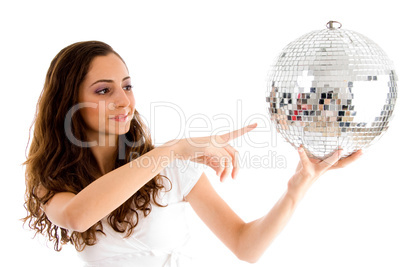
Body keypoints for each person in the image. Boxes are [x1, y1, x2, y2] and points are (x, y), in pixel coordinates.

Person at [23, 41, 362, 266]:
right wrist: (175, 148)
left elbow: (247, 246)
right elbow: (76, 217)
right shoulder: (51, 182)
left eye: (127, 85)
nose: (124, 101)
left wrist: (298, 187)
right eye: (103, 90)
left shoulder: (170, 168)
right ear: (69, 101)